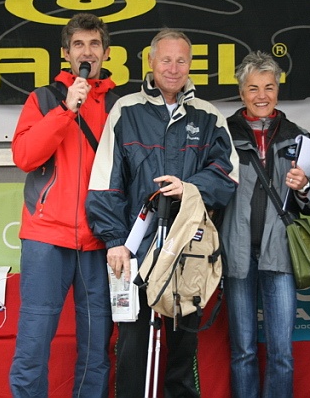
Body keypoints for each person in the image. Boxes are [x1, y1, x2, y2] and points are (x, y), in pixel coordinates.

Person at [86, 29, 238, 398]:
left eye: (181, 60)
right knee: (132, 345)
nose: (173, 68)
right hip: (136, 252)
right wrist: (115, 241)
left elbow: (229, 174)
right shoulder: (126, 111)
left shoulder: (209, 116)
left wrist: (190, 187)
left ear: (190, 65)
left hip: (189, 252)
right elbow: (105, 182)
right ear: (151, 62)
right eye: (166, 59)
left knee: (183, 348)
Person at [9, 13, 117, 398]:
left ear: (106, 52)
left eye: (94, 44)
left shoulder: (120, 104)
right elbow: (25, 156)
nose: (86, 52)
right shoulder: (43, 99)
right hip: (46, 238)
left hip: (101, 240)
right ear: (66, 53)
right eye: (78, 45)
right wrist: (66, 110)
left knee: (96, 348)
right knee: (34, 342)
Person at [219, 51, 310, 398]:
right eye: (253, 88)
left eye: (269, 87)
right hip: (237, 254)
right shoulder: (222, 135)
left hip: (280, 253)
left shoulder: (298, 137)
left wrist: (304, 185)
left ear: (278, 90)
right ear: (241, 92)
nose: (262, 96)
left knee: (282, 354)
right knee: (243, 351)